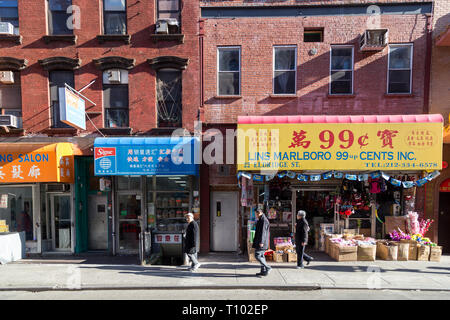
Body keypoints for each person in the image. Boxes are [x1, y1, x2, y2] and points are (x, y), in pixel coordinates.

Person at [252, 209, 272, 277]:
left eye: (256, 214)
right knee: (261, 256)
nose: (255, 215)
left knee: (257, 255)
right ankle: (263, 271)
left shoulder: (264, 220)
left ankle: (268, 267)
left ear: (259, 213)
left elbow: (263, 232)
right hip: (259, 241)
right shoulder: (261, 219)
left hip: (261, 242)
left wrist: (261, 242)